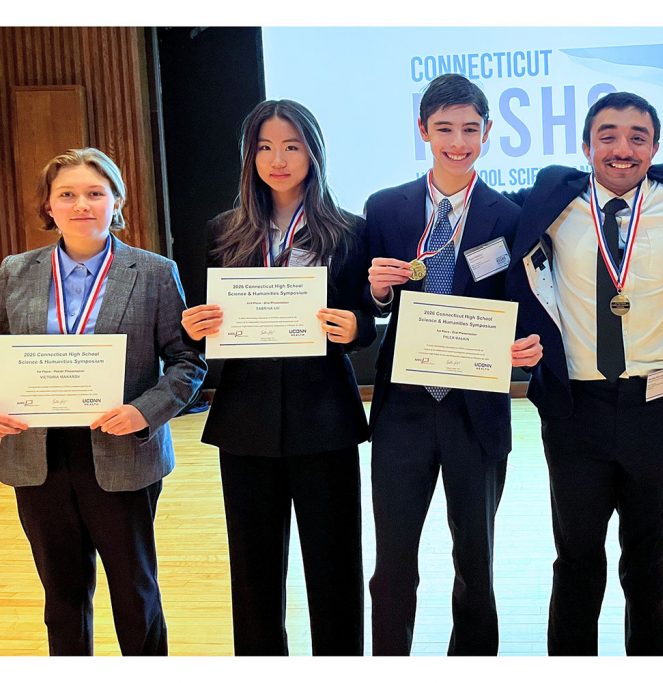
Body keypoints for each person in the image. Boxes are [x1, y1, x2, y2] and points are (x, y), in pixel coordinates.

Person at [506, 91, 663, 655]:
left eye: (638, 136)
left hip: (653, 408)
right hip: (574, 411)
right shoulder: (552, 199)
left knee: (648, 553)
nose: (622, 148)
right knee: (578, 555)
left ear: (656, 146)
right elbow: (476, 212)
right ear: (586, 145)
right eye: (607, 135)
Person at [180, 100, 373, 655]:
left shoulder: (348, 231)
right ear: (249, 157)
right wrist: (197, 324)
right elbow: (202, 321)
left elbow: (367, 317)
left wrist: (354, 324)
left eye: (291, 146)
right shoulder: (222, 231)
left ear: (313, 153)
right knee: (254, 572)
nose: (278, 159)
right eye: (264, 147)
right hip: (244, 421)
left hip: (326, 419)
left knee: (335, 566)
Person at [0, 148, 206, 655]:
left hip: (122, 451)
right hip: (37, 456)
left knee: (135, 593)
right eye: (66, 194)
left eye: (95, 193)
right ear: (48, 206)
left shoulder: (154, 272)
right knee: (62, 596)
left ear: (117, 201)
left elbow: (188, 361)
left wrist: (145, 412)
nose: (81, 204)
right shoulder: (14, 271)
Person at [364, 74, 541, 656]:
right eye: (444, 129)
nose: (457, 142)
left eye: (470, 129)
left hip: (477, 407)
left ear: (488, 133)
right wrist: (381, 293)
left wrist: (523, 347)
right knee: (393, 561)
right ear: (423, 131)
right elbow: (369, 301)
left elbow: (519, 305)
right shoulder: (386, 208)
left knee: (476, 560)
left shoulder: (510, 217)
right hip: (404, 408)